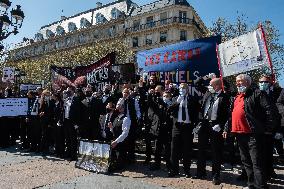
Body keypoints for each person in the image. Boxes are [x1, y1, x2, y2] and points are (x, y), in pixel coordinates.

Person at [223, 74, 279, 189]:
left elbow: (270, 111)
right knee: (246, 162)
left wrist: (268, 129)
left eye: (240, 81)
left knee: (256, 163)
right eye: (236, 81)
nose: (237, 83)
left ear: (248, 82)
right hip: (239, 135)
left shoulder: (257, 94)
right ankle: (251, 184)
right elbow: (231, 116)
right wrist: (226, 128)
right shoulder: (236, 97)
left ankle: (261, 186)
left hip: (253, 135)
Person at [196, 78, 230, 185]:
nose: (208, 86)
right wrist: (205, 78)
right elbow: (197, 84)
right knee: (201, 149)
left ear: (218, 86)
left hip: (215, 125)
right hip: (204, 124)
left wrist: (220, 125)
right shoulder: (208, 93)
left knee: (216, 151)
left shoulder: (225, 97)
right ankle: (200, 172)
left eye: (211, 84)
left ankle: (216, 175)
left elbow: (228, 114)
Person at [168, 83, 200, 178]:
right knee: (174, 149)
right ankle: (174, 170)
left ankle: (187, 170)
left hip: (188, 127)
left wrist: (196, 125)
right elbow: (169, 109)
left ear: (187, 89)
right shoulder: (175, 98)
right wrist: (177, 102)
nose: (182, 89)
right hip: (177, 127)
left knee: (187, 149)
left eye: (184, 88)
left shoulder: (193, 99)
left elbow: (197, 112)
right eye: (181, 88)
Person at [258, 75, 282, 181]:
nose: (263, 84)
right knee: (261, 153)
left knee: (269, 152)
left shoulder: (278, 92)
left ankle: (270, 171)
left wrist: (279, 129)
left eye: (265, 82)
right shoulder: (257, 93)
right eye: (261, 82)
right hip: (260, 129)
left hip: (273, 128)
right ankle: (264, 173)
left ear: (271, 83)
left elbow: (280, 112)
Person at [117, 88, 141, 163]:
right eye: (124, 92)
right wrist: (122, 100)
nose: (126, 94)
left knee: (131, 140)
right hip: (122, 121)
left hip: (132, 121)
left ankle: (131, 157)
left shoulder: (134, 100)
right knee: (123, 139)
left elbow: (138, 111)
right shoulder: (120, 100)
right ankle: (123, 157)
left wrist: (138, 117)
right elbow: (117, 108)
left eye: (127, 92)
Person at [109, 102, 131, 170]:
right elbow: (114, 131)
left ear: (123, 109)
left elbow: (125, 133)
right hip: (115, 143)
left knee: (119, 165)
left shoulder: (126, 119)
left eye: (119, 107)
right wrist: (111, 127)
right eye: (116, 107)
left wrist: (116, 142)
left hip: (121, 144)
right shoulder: (116, 118)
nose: (116, 108)